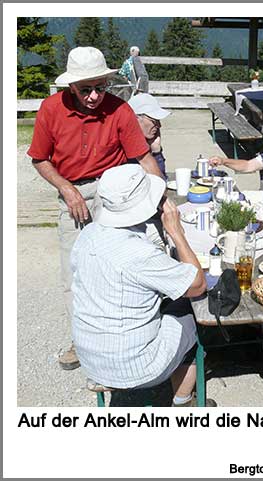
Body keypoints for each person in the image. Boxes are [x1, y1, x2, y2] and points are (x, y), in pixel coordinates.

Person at [27, 46, 163, 370]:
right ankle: (82, 340)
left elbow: (143, 158)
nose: (93, 96)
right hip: (71, 188)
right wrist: (66, 189)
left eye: (99, 87)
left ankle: (128, 334)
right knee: (75, 271)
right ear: (70, 87)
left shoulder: (119, 110)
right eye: (85, 89)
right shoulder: (50, 109)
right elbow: (39, 159)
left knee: (124, 264)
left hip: (115, 189)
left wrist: (162, 197)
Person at [71, 164, 215, 407]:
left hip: (91, 355)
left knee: (161, 302)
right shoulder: (138, 253)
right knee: (189, 312)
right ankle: (183, 401)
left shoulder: (88, 234)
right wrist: (176, 231)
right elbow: (197, 285)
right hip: (134, 366)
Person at [128, 93, 170, 180]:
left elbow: (160, 179)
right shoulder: (125, 150)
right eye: (154, 121)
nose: (159, 125)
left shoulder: (147, 142)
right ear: (136, 118)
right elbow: (159, 182)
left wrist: (156, 151)